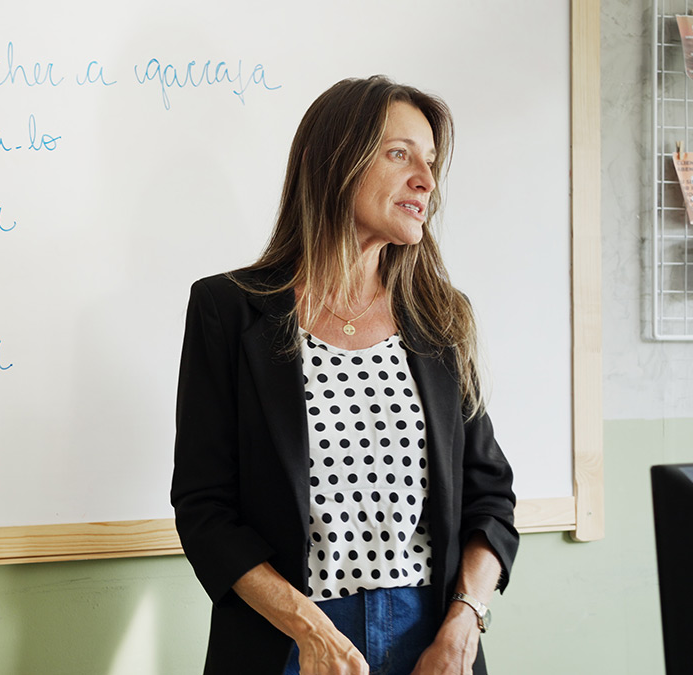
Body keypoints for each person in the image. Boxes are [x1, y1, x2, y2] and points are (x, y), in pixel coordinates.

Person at [170, 75, 519, 675]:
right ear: (332, 161)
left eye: (431, 162)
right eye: (399, 153)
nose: (426, 180)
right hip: (288, 638)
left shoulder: (440, 319)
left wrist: (466, 621)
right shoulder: (227, 310)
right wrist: (309, 630)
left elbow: (490, 497)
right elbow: (205, 509)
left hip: (430, 639)